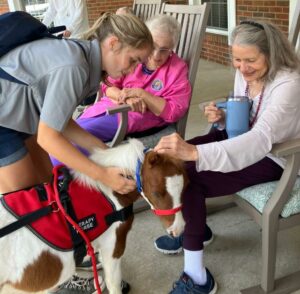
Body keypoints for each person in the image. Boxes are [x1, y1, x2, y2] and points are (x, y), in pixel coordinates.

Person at [0, 12, 153, 294]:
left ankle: (60, 263)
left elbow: (62, 122)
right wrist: (103, 175)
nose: (132, 71)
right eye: (133, 60)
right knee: (29, 209)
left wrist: (105, 152)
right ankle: (29, 278)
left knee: (52, 194)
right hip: (4, 121)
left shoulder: (83, 60)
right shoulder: (74, 66)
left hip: (18, 115)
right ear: (113, 44)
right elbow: (49, 137)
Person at [154, 20, 300, 294]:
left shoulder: (289, 83)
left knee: (190, 176)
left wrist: (196, 152)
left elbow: (260, 139)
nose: (242, 68)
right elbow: (245, 120)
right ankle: (195, 230)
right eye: (236, 60)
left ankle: (197, 276)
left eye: (250, 60)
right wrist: (222, 119)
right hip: (242, 140)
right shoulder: (246, 72)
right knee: (174, 162)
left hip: (277, 158)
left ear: (272, 53)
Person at [62, 15, 191, 155]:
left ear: (172, 48)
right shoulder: (134, 57)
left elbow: (175, 111)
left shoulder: (177, 69)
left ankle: (60, 170)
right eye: (153, 46)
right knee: (64, 132)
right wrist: (125, 97)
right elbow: (107, 86)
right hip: (107, 107)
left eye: (164, 50)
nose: (156, 56)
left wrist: (141, 94)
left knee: (72, 140)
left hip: (134, 118)